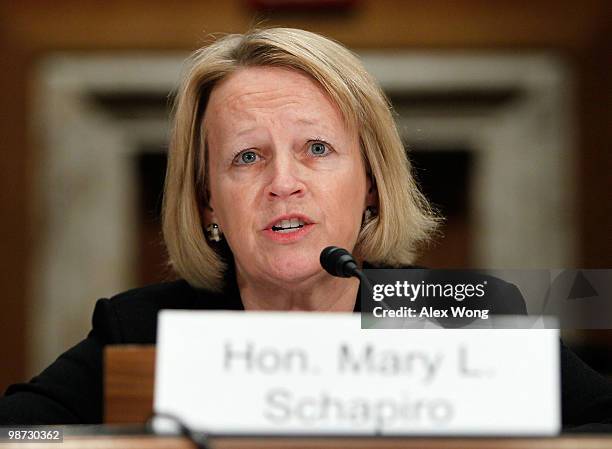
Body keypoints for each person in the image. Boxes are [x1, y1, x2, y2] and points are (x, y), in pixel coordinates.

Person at [0, 27, 610, 429]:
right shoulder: (144, 330)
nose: (283, 182)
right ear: (209, 203)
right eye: (246, 157)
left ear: (371, 185)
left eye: (317, 148)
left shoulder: (455, 311)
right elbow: (25, 429)